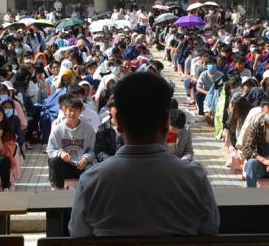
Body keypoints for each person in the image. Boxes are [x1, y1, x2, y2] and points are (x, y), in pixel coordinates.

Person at [68, 72, 219, 236]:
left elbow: (78, 234)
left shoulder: (91, 181)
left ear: (119, 124)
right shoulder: (195, 178)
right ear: (165, 123)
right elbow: (210, 230)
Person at [46, 96, 96, 188]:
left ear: (80, 111)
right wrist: (61, 153)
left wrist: (86, 158)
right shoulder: (57, 129)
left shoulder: (89, 129)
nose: (72, 113)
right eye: (70, 110)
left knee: (93, 170)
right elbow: (50, 150)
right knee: (54, 161)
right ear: (65, 111)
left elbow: (93, 150)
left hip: (82, 165)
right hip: (64, 165)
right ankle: (58, 189)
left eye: (76, 110)